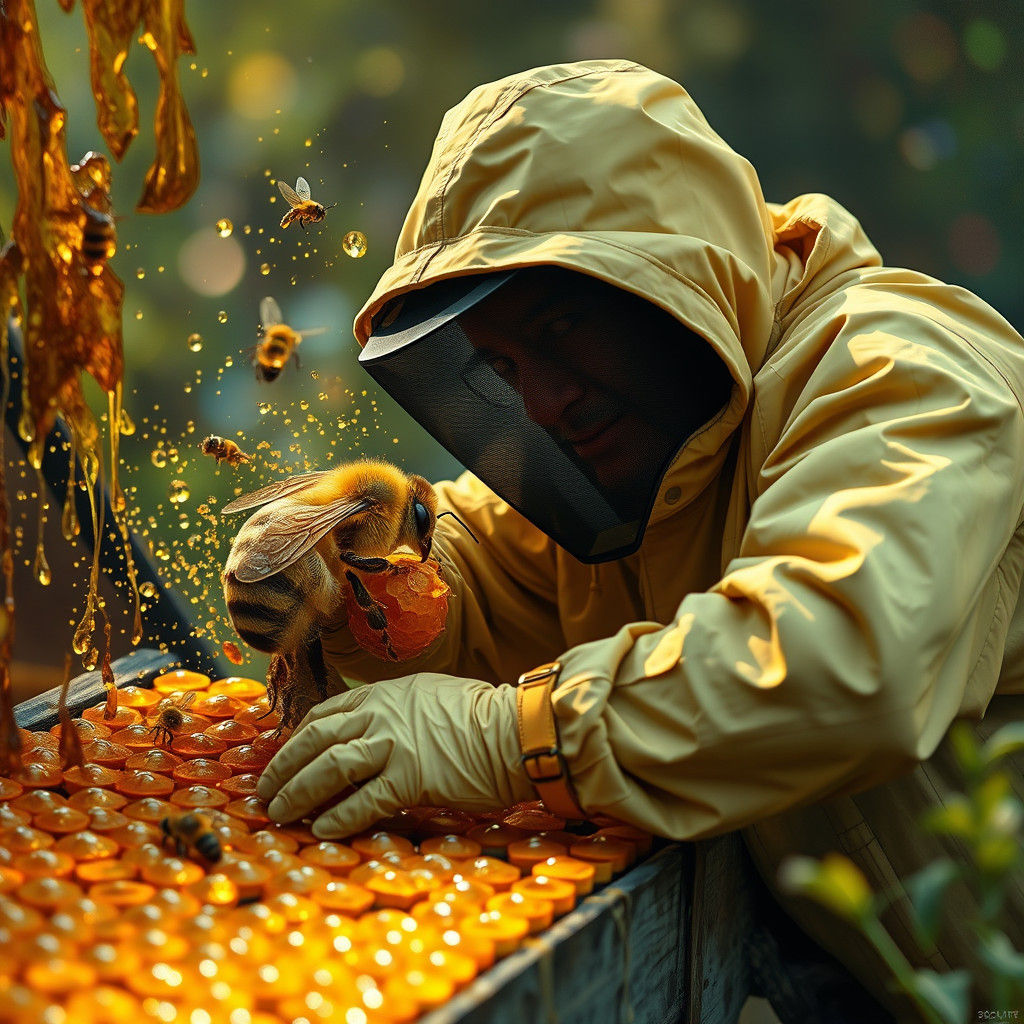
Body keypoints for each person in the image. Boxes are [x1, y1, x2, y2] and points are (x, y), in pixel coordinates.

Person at [255, 60, 1024, 1019]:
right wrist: (361, 576)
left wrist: (514, 736)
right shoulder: (648, 457)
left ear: (679, 268)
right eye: (500, 363)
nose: (541, 402)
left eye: (566, 323)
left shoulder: (899, 371)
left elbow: (838, 658)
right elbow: (492, 575)